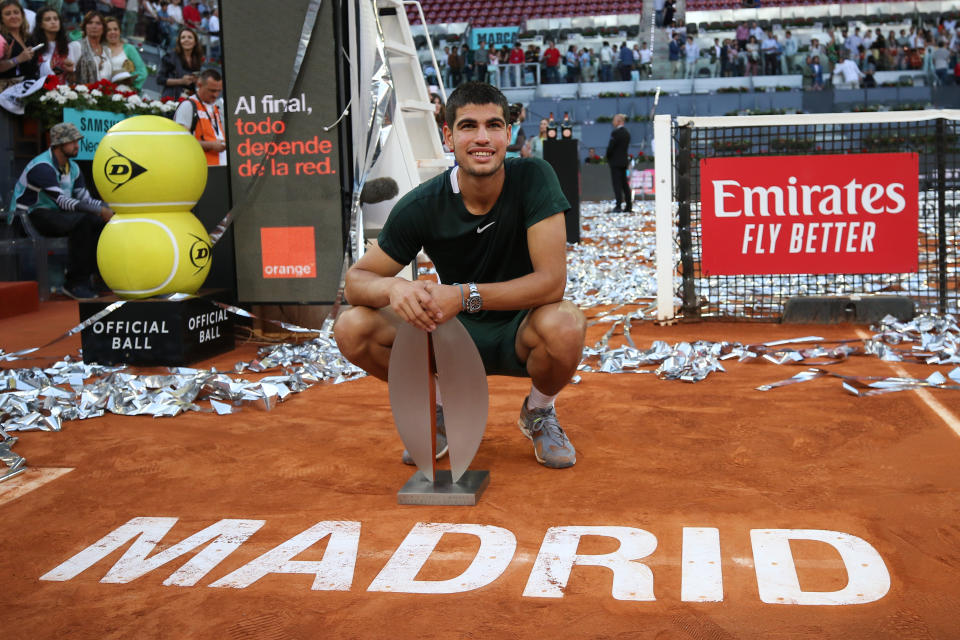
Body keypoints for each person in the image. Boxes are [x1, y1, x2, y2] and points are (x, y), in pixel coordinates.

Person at [333, 82, 585, 470]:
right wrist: (394, 286)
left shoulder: (536, 176)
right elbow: (355, 283)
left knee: (566, 324)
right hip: (449, 333)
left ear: (509, 133)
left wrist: (463, 295)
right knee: (352, 327)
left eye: (494, 125)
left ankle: (538, 411)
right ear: (448, 136)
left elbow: (551, 282)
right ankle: (438, 407)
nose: (482, 138)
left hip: (522, 327)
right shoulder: (422, 204)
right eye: (468, 126)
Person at [9, 122, 114, 300]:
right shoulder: (42, 166)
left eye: (77, 141)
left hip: (53, 214)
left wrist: (111, 208)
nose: (76, 146)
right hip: (28, 216)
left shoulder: (73, 168)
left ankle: (97, 279)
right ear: (58, 144)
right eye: (72, 142)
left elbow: (85, 199)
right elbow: (62, 201)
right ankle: (74, 284)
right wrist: (99, 210)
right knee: (83, 221)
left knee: (96, 222)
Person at [172, 67, 224, 165]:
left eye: (219, 91)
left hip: (220, 166)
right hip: (201, 167)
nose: (216, 95)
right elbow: (181, 142)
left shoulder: (216, 106)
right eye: (212, 91)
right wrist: (211, 145)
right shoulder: (188, 106)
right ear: (199, 85)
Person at [0, 0, 38, 89]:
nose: (13, 16)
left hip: (29, 88)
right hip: (6, 92)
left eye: (16, 12)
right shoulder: (2, 39)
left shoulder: (29, 37)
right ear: (1, 19)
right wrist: (18, 59)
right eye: (8, 14)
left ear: (22, 15)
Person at [157, 25, 202, 99]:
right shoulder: (169, 57)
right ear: (179, 41)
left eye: (190, 37)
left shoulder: (197, 60)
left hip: (188, 100)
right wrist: (181, 81)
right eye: (183, 37)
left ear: (195, 42)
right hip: (170, 99)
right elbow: (160, 79)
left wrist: (196, 81)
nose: (186, 40)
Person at [30, 6, 74, 82]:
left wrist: (71, 71)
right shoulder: (34, 45)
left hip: (62, 88)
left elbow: (72, 78)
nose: (53, 22)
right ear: (40, 24)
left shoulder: (66, 45)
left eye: (56, 19)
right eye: (48, 19)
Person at [67, 10, 111, 83]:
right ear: (85, 26)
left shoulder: (107, 50)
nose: (94, 26)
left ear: (103, 28)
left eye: (98, 23)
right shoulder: (76, 46)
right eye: (90, 23)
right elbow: (70, 77)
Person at [103, 15, 144, 87]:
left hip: (122, 92)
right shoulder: (99, 48)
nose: (112, 32)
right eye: (108, 30)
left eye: (115, 29)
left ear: (120, 31)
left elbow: (142, 72)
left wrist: (125, 80)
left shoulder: (129, 49)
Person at [605, 113, 630, 213]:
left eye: (614, 120)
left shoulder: (615, 133)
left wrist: (608, 156)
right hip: (624, 162)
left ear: (619, 121)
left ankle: (618, 206)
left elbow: (611, 148)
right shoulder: (627, 133)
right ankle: (629, 205)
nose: (613, 122)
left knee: (617, 185)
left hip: (615, 162)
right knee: (625, 184)